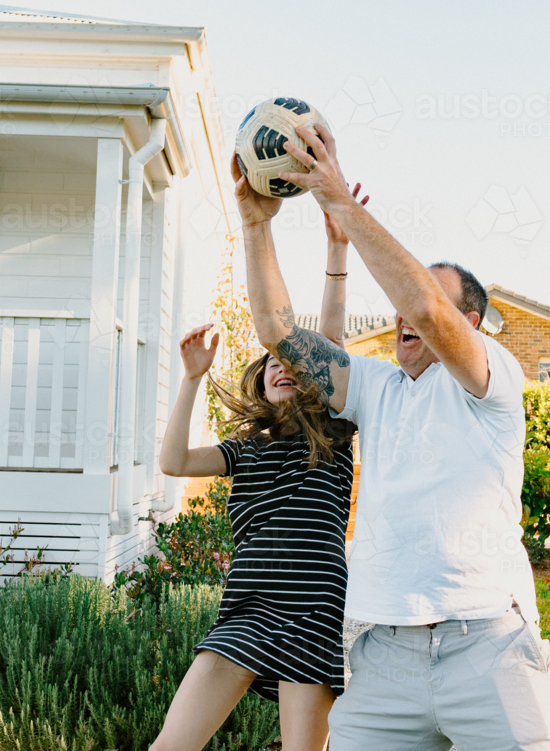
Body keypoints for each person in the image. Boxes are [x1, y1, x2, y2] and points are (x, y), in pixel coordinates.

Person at [233, 127, 550, 750]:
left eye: (429, 306)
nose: (401, 317)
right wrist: (257, 225)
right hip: (384, 658)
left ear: (469, 325)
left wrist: (338, 199)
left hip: (489, 645)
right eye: (397, 312)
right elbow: (277, 330)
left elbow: (425, 307)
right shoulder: (374, 386)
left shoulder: (490, 379)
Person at [150, 185, 368, 751]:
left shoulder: (334, 432)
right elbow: (172, 462)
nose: (283, 366)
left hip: (314, 607)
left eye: (292, 360)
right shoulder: (242, 448)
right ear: (260, 378)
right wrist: (193, 377)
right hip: (246, 607)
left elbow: (331, 337)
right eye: (272, 360)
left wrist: (337, 252)